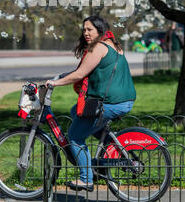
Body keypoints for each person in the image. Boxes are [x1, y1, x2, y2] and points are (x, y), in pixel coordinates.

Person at [46, 15, 136, 192]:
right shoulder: (112, 44)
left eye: (90, 30)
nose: (86, 33)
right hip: (123, 100)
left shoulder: (99, 48)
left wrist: (54, 83)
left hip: (110, 103)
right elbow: (85, 70)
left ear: (100, 30)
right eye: (84, 29)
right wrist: (61, 77)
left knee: (75, 137)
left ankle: (86, 179)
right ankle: (112, 144)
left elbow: (80, 74)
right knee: (75, 112)